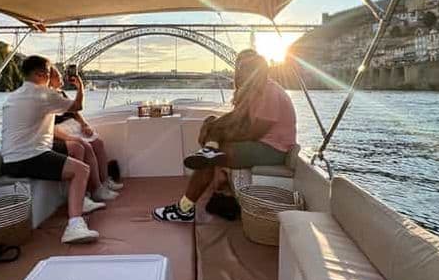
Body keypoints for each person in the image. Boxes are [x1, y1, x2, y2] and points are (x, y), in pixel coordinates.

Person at [153, 50, 297, 222]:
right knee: (213, 126)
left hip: (273, 150)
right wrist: (214, 125)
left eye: (244, 68)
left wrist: (221, 133)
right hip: (260, 143)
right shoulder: (254, 90)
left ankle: (184, 209)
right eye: (239, 67)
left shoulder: (269, 92)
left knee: (210, 156)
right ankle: (210, 153)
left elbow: (254, 133)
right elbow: (237, 118)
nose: (240, 72)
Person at [0, 55, 100, 244]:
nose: (52, 74)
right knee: (81, 170)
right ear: (41, 74)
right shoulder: (42, 94)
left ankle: (80, 200)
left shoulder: (14, 96)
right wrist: (80, 87)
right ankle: (74, 226)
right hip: (30, 157)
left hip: (11, 160)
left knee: (76, 149)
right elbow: (77, 106)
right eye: (50, 72)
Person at [47, 66, 122, 200]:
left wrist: (84, 124)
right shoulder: (47, 97)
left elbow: (75, 112)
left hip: (72, 126)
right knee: (86, 147)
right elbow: (49, 125)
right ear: (49, 79)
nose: (61, 78)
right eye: (57, 76)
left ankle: (105, 182)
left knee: (98, 143)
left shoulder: (60, 93)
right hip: (61, 130)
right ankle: (96, 189)